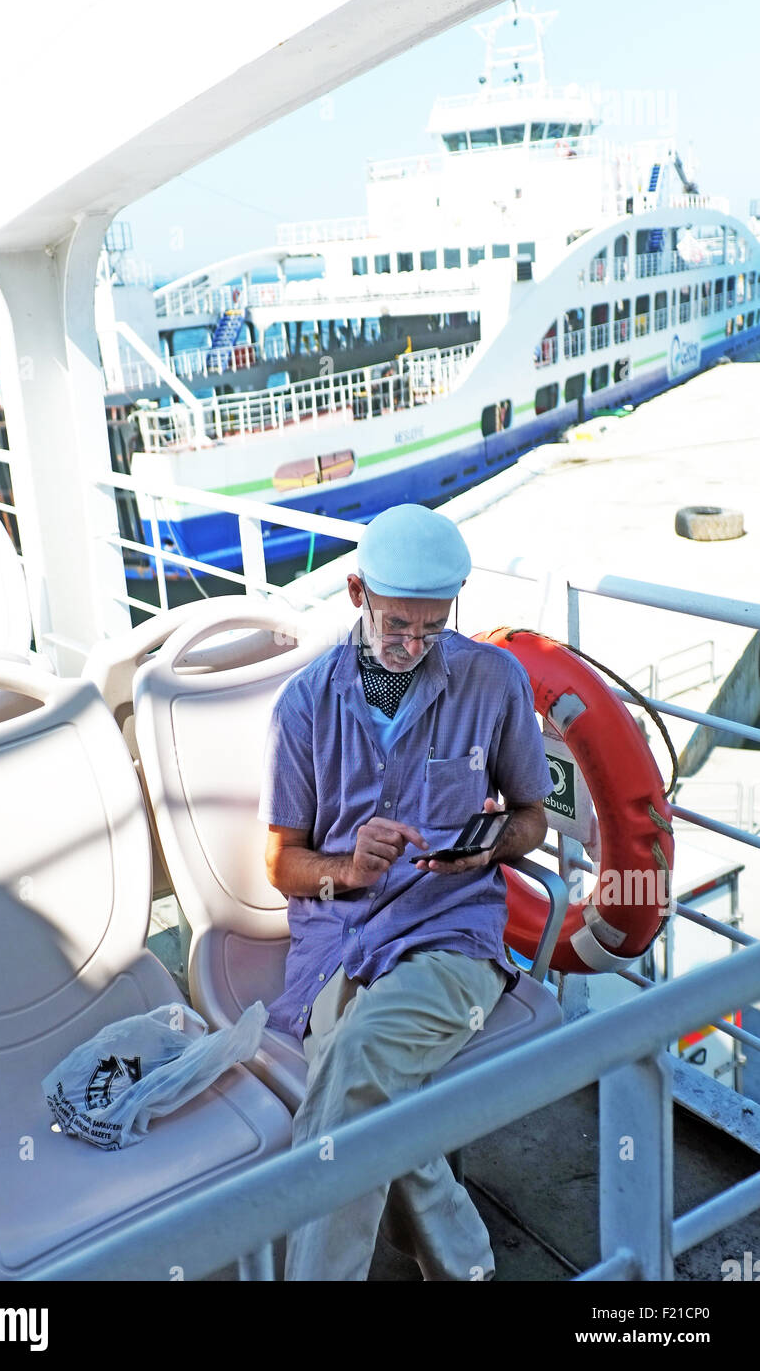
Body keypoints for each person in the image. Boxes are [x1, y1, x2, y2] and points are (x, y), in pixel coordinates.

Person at [258, 503, 553, 1281]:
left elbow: (531, 819)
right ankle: (465, 1264)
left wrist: (490, 845)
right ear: (356, 594)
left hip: (449, 935)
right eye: (397, 628)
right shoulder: (303, 707)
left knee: (350, 1060)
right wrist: (348, 870)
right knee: (361, 1088)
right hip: (338, 940)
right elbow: (282, 867)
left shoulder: (493, 682)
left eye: (432, 628)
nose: (415, 647)